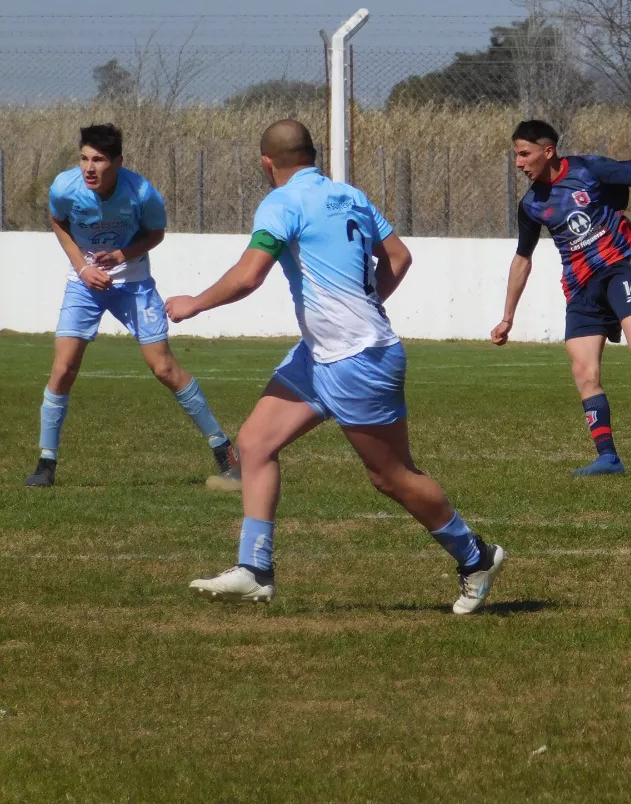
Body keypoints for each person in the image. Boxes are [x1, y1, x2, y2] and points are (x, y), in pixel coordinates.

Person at [165, 120, 503, 614]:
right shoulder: (349, 194)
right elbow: (399, 257)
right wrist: (367, 304)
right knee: (256, 443)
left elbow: (249, 276)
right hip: (321, 352)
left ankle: (476, 557)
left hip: (357, 359)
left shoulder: (281, 202)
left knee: (391, 477)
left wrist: (193, 303)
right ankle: (254, 570)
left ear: (267, 164)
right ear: (312, 155)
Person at [491, 119, 631, 475]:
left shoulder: (586, 169)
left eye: (524, 154)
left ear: (547, 151)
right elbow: (523, 259)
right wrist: (507, 317)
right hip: (580, 289)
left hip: (615, 272)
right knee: (584, 371)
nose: (518, 163)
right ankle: (608, 457)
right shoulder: (531, 204)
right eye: (516, 156)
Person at [24, 123, 239, 490]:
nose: (89, 168)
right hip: (84, 284)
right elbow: (57, 221)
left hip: (134, 283)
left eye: (99, 160)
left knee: (164, 368)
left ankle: (224, 450)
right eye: (84, 158)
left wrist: (123, 254)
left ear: (118, 162)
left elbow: (155, 234)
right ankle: (46, 461)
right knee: (63, 368)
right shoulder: (65, 187)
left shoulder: (143, 193)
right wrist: (82, 267)